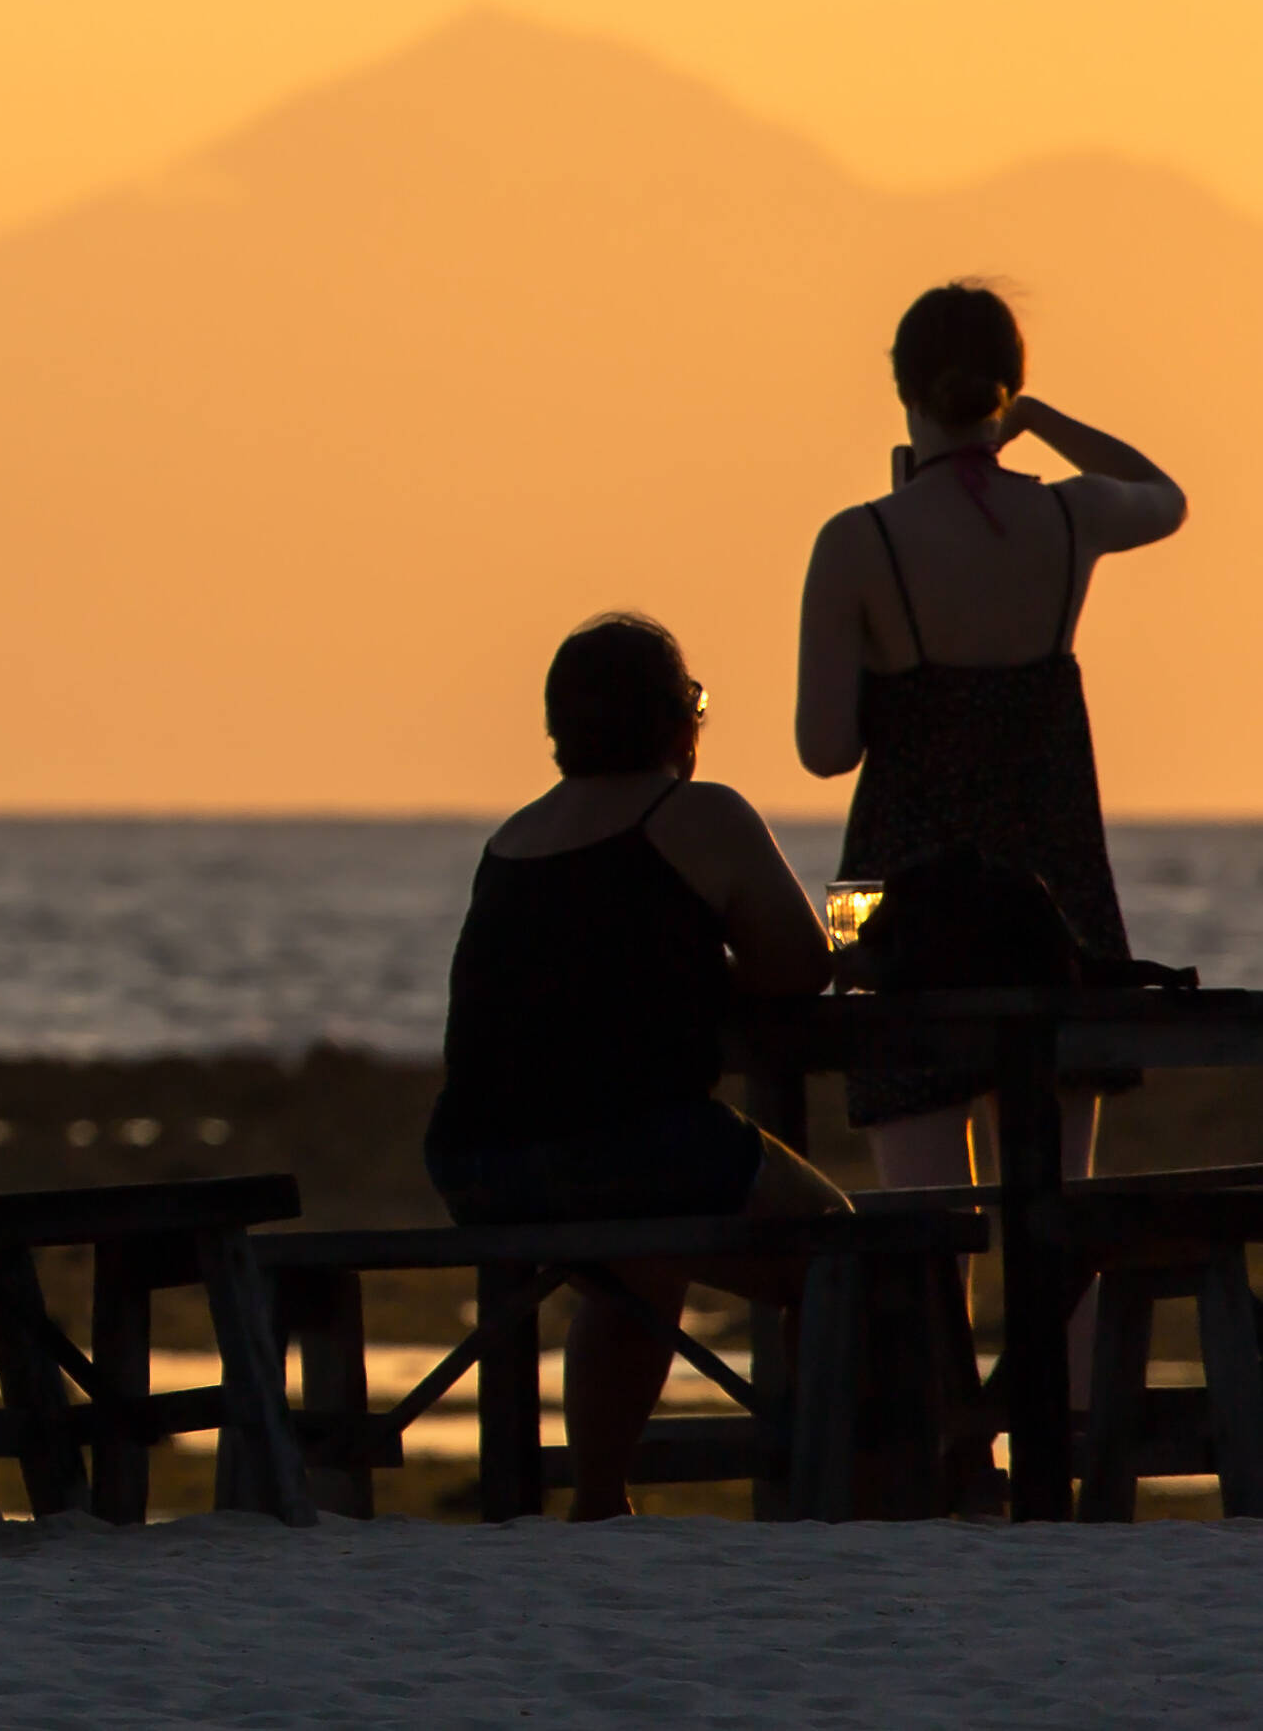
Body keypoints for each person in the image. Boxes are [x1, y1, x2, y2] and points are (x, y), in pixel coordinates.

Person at [429, 613, 841, 1517]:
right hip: (625, 1151)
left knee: (639, 1257)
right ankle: (837, 1491)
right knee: (845, 1253)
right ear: (674, 720)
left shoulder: (513, 838)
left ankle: (600, 1500)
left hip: (478, 1166)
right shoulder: (694, 813)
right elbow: (800, 968)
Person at [795, 283, 1186, 1206]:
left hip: (889, 896)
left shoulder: (858, 540)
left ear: (904, 391)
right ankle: (1075, 1356)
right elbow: (1165, 496)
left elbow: (824, 751)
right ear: (1007, 389)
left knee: (919, 1225)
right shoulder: (1068, 516)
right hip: (1052, 888)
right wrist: (1040, 419)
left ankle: (929, 1356)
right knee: (1059, 1209)